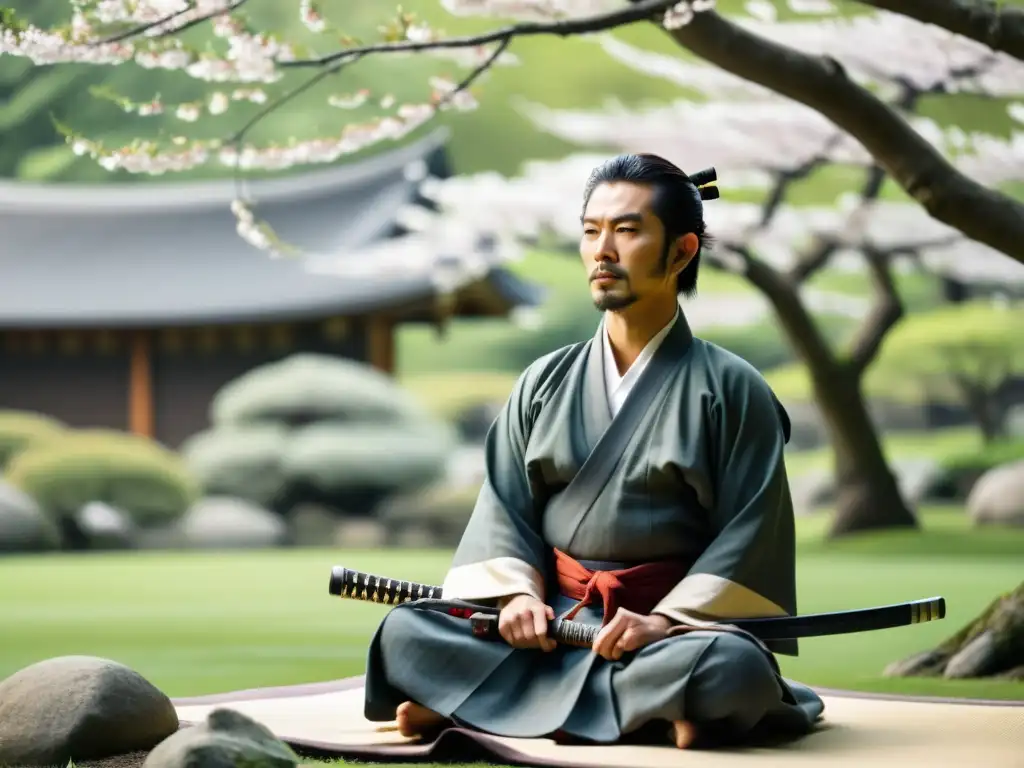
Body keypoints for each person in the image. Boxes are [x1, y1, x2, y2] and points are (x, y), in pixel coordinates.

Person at [362, 153, 825, 749]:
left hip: (664, 635)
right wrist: (519, 596)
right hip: (550, 628)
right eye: (591, 231)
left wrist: (663, 622)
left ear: (682, 252)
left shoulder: (733, 390)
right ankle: (651, 714)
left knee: (729, 669)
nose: (602, 250)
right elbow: (505, 509)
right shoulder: (543, 380)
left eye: (626, 231)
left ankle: (482, 706)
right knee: (405, 631)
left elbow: (749, 533)